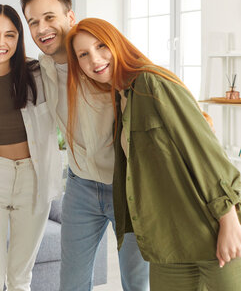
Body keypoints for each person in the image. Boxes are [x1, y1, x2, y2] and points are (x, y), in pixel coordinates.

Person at [65, 17, 241, 291]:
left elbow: (205, 150)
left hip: (210, 226)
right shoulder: (120, 98)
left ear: (117, 43)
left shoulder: (150, 81)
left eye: (101, 46)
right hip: (168, 241)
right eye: (83, 55)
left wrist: (228, 217)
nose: (95, 59)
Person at [20, 0, 149, 290]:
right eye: (33, 22)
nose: (42, 28)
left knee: (136, 283)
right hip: (80, 188)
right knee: (72, 284)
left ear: (70, 16)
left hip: (127, 190)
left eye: (49, 17)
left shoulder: (103, 63)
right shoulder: (46, 66)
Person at [0, 4, 62, 290]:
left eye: (10, 35)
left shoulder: (39, 73)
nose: (0, 43)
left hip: (33, 180)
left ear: (19, 39)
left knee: (21, 278)